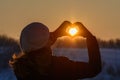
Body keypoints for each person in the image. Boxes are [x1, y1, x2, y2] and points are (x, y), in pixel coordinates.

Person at [10, 21, 102, 80]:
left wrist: (54, 34)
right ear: (47, 43)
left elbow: (37, 45)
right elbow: (94, 69)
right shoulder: (60, 67)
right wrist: (90, 37)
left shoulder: (22, 70)